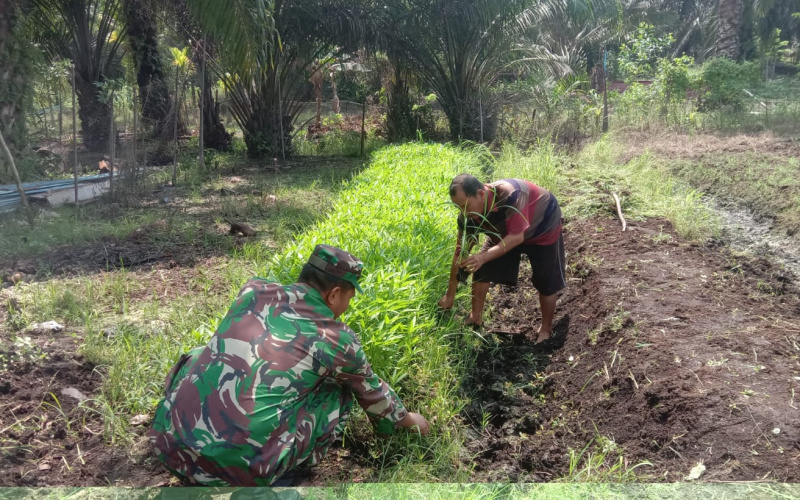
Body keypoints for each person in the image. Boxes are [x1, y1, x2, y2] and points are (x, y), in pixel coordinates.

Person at [149, 244, 430, 486]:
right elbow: (374, 396)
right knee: (338, 388)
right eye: (349, 297)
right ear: (333, 294)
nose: (348, 304)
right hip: (236, 472)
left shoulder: (253, 289)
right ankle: (279, 470)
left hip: (168, 445)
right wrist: (410, 421)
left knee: (202, 353)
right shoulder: (336, 338)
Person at [438, 174, 566, 345]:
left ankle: (545, 330)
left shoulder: (510, 195)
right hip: (506, 231)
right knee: (482, 269)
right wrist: (449, 297)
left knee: (546, 280)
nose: (464, 212)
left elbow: (516, 237)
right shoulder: (468, 217)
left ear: (481, 194)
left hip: (542, 226)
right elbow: (459, 254)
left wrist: (483, 256)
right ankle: (475, 317)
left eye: (466, 206)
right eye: (459, 208)